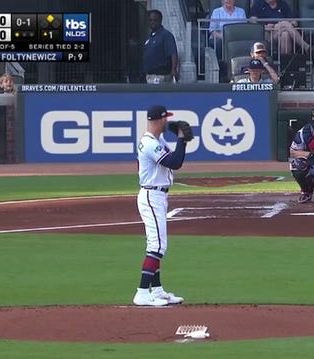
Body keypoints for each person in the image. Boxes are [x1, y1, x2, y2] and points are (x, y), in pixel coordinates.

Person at [133, 105, 190, 306]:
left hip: (156, 195)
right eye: (166, 119)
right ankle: (141, 292)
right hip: (151, 195)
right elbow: (175, 162)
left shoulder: (157, 140)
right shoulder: (149, 143)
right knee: (157, 246)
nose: (168, 122)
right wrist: (182, 139)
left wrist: (178, 134)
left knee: (157, 244)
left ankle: (156, 290)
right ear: (159, 120)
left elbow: (171, 157)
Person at [144, 10, 179, 84]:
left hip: (161, 76)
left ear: (160, 21)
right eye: (150, 20)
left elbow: (173, 53)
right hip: (150, 76)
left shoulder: (166, 35)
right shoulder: (150, 37)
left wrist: (174, 69)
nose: (152, 22)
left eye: (154, 20)